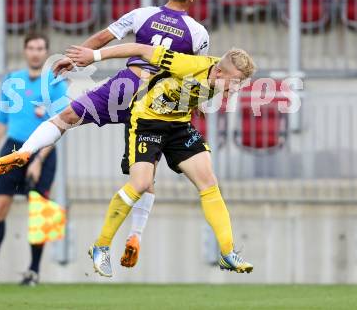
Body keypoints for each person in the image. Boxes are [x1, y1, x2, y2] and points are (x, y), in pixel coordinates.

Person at [0, 0, 210, 268]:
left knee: (65, 118)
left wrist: (74, 57)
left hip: (126, 85)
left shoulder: (142, 14)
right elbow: (195, 76)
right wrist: (194, 105)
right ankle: (135, 236)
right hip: (157, 100)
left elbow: (104, 37)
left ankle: (25, 151)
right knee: (145, 175)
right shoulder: (198, 32)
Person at [65, 42, 256, 277]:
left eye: (240, 84)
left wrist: (196, 102)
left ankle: (227, 253)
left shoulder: (218, 77)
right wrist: (94, 54)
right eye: (234, 82)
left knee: (209, 182)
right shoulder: (187, 64)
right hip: (147, 121)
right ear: (218, 71)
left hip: (178, 125)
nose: (236, 89)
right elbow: (141, 49)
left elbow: (194, 89)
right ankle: (101, 246)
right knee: (141, 184)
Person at [0, 33, 68, 286]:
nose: (36, 52)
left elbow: (60, 124)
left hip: (42, 150)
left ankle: (33, 271)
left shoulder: (55, 82)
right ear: (25, 51)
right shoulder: (13, 80)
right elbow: (1, 121)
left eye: (40, 48)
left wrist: (38, 160)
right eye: (31, 48)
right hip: (13, 148)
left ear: (46, 52)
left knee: (39, 212)